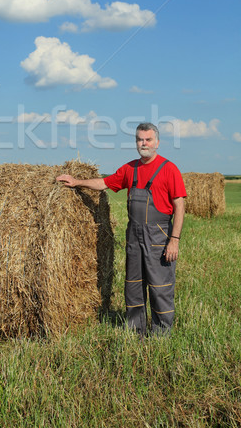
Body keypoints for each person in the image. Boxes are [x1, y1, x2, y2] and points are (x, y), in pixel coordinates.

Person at [56, 122, 186, 335]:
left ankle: (161, 334)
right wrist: (76, 181)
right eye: (140, 139)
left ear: (157, 143)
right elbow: (103, 183)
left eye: (148, 139)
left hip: (159, 234)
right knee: (133, 285)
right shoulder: (129, 169)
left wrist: (174, 239)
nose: (144, 143)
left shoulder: (169, 169)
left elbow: (180, 206)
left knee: (159, 286)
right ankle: (136, 331)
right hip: (134, 234)